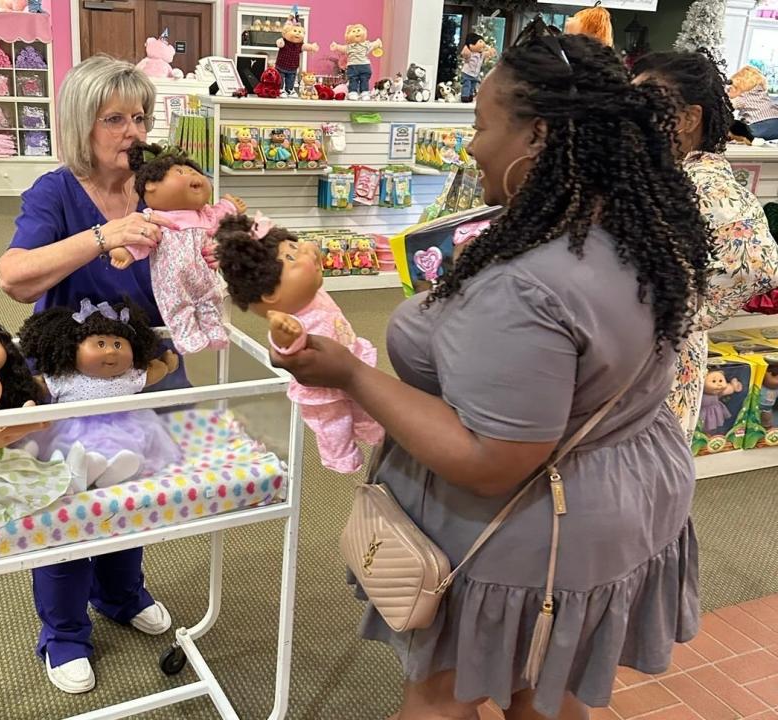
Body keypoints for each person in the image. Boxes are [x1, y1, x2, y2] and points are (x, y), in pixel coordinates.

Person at [273, 21, 708, 720]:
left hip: (522, 534)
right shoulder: (637, 229)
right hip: (614, 505)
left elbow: (491, 460)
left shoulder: (526, 287)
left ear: (536, 136)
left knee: (444, 692)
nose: (470, 143)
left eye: (481, 123)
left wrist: (350, 376)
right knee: (544, 684)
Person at [0, 55, 191, 695]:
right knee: (69, 503)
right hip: (71, 381)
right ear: (82, 125)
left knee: (131, 493)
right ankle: (63, 631)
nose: (132, 133)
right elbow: (14, 278)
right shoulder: (55, 192)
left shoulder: (160, 186)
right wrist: (103, 233)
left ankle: (121, 593)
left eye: (139, 117)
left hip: (143, 371)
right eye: (114, 119)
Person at [632, 51, 778, 438]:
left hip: (656, 365)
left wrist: (672, 314)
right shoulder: (670, 174)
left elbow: (756, 263)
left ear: (688, 118)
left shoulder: (702, 182)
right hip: (645, 362)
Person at [728, 65, 778, 141]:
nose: (729, 91)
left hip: (758, 127)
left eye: (731, 88)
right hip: (776, 125)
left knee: (734, 125)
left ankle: (750, 139)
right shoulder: (763, 94)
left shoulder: (743, 97)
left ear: (739, 87)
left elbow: (728, 106)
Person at [459, 33, 495, 103]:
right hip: (467, 73)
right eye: (480, 42)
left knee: (472, 86)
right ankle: (464, 96)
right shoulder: (469, 53)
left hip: (475, 74)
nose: (483, 44)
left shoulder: (481, 54)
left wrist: (490, 51)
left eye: (482, 41)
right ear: (472, 44)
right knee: (467, 85)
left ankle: (470, 96)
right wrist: (466, 47)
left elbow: (487, 54)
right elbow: (464, 54)